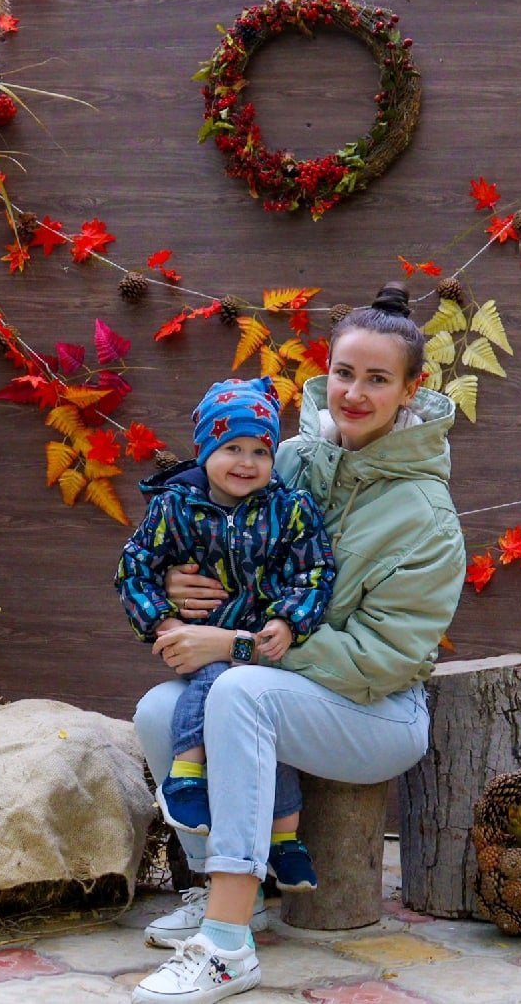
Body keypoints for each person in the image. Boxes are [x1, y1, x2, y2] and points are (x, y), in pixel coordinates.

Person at [130, 283, 467, 1004]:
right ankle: (226, 891)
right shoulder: (288, 460)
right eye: (345, 372)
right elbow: (213, 530)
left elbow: (387, 660)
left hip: (377, 711)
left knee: (241, 690)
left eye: (378, 379)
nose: (354, 392)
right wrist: (185, 584)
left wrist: (235, 645)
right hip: (290, 685)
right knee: (161, 710)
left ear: (412, 389)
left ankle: (225, 948)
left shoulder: (427, 518)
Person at [116, 374, 335, 894]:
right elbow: (134, 568)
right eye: (232, 447)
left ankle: (285, 838)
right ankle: (188, 776)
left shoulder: (290, 510)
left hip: (260, 648)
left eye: (260, 450)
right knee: (215, 681)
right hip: (202, 641)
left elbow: (315, 571)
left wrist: (287, 619)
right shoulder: (174, 508)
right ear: (205, 450)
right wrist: (164, 622)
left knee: (264, 732)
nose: (246, 462)